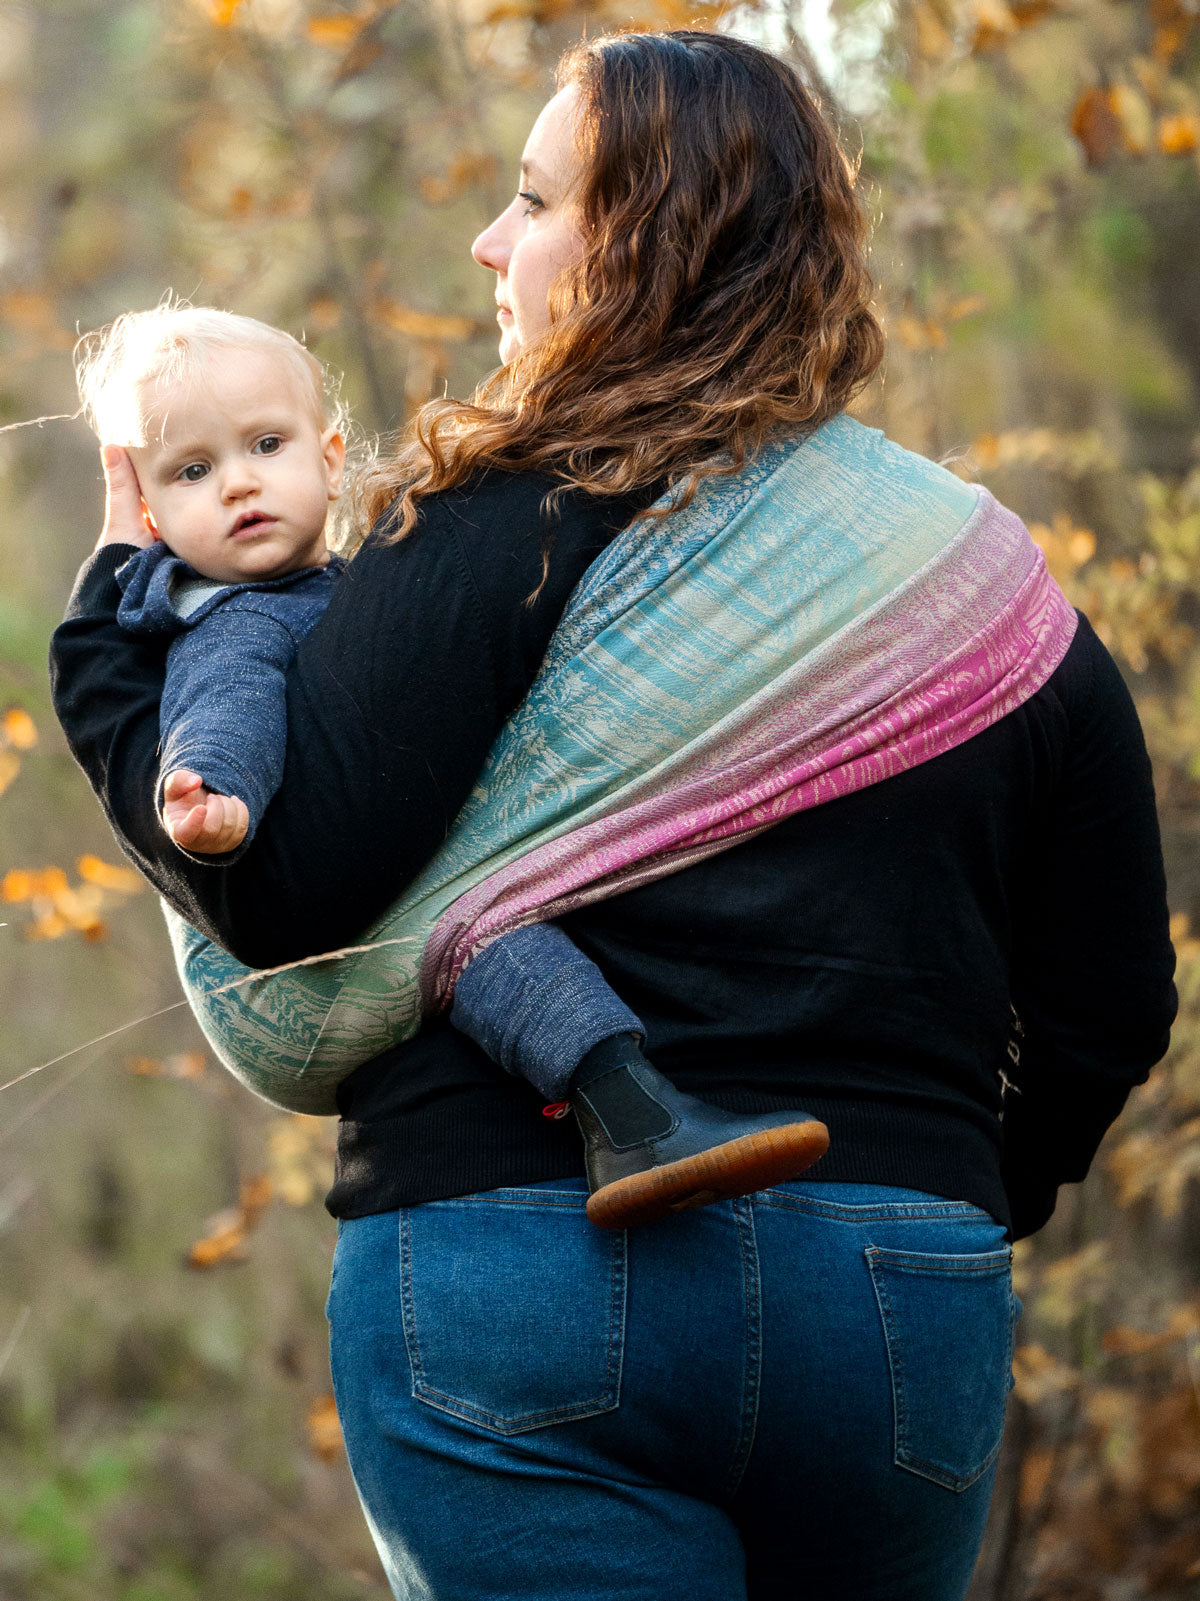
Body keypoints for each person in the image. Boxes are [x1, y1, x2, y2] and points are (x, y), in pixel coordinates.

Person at [50, 28, 1176, 1601]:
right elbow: (1113, 1002)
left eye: (530, 199)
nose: (486, 241)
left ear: (648, 238)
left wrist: (103, 656)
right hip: (900, 1290)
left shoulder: (497, 521)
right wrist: (944, 1197)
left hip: (522, 1274)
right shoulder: (986, 597)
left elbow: (277, 891)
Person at [75, 300, 830, 1229]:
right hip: (401, 914)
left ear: (331, 454)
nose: (238, 485)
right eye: (194, 471)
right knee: (508, 958)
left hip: (423, 864)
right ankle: (631, 1120)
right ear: (148, 515)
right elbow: (223, 705)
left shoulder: (336, 585)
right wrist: (217, 794)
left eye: (264, 445)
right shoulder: (237, 615)